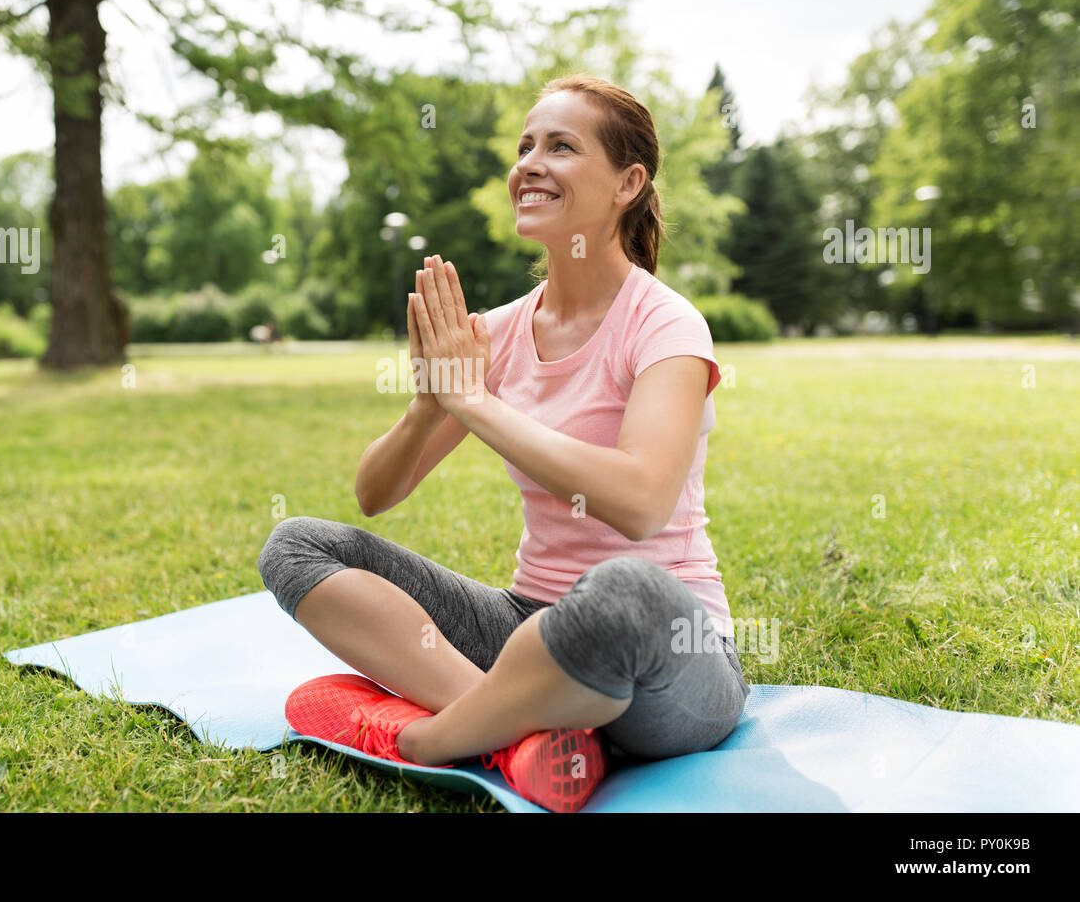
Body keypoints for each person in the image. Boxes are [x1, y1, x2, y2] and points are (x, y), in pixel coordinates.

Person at [257, 73, 750, 812]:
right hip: (525, 627)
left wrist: (476, 401)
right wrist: (432, 404)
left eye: (560, 146)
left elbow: (642, 503)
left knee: (623, 590)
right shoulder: (498, 333)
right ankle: (510, 730)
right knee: (296, 545)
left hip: (664, 659)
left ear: (628, 182)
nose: (529, 164)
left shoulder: (667, 326)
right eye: (524, 147)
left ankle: (438, 736)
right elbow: (376, 493)